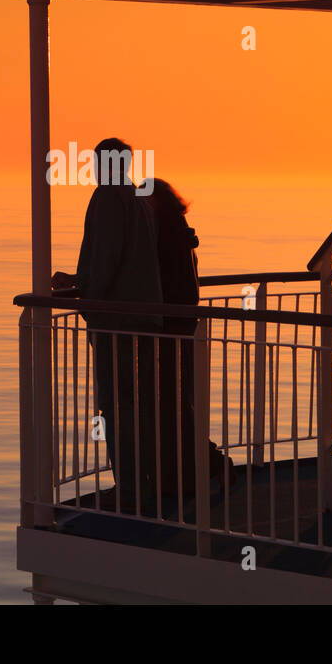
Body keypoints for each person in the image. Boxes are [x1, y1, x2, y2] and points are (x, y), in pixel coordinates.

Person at [52, 138, 162, 515]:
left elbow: (106, 259)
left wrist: (87, 295)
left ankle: (129, 491)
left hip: (117, 320)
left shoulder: (107, 199)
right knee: (142, 403)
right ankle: (147, 484)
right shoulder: (138, 198)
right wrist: (82, 280)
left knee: (117, 406)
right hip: (146, 318)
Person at [142, 178, 233, 503]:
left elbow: (158, 280)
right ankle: (197, 468)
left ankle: (208, 465)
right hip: (182, 326)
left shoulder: (164, 237)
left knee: (171, 404)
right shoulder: (179, 233)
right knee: (177, 403)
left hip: (170, 327)